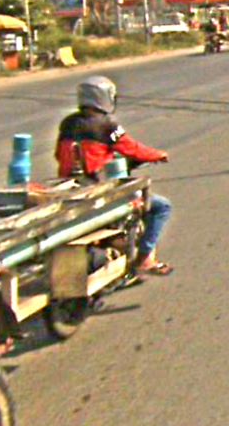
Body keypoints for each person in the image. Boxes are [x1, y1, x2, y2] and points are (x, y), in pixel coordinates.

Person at [54, 75, 174, 276]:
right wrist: (158, 155)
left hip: (70, 188)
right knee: (162, 207)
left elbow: (58, 155)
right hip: (99, 190)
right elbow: (133, 149)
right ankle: (145, 259)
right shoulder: (107, 125)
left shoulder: (68, 124)